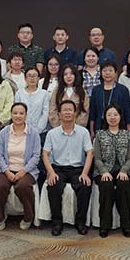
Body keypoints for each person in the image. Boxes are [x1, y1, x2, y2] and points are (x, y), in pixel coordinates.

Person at [43, 100, 94, 236]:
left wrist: (85, 173)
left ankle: (81, 222)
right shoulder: (52, 133)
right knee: (53, 185)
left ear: (75, 113)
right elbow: (45, 154)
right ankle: (57, 223)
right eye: (64, 110)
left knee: (85, 185)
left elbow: (90, 153)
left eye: (70, 110)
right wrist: (51, 173)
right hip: (58, 168)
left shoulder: (83, 132)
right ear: (59, 114)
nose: (67, 112)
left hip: (78, 169)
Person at [0, 103, 41, 231]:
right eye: (15, 113)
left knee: (23, 186)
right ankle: (0, 217)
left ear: (26, 115)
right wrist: (6, 171)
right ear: (11, 115)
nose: (18, 116)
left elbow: (36, 156)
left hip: (27, 170)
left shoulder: (33, 133)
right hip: (6, 169)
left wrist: (23, 171)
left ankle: (28, 217)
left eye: (21, 113)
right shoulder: (4, 132)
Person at [93, 105, 130, 238]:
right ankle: (104, 225)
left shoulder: (127, 134)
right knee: (106, 185)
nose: (112, 117)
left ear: (120, 116)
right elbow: (97, 158)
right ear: (105, 117)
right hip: (104, 171)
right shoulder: (99, 134)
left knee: (124, 185)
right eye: (109, 114)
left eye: (115, 114)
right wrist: (104, 171)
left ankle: (126, 225)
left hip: (123, 171)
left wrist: (124, 170)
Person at [89, 61, 130, 139]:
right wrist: (92, 131)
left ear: (115, 73)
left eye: (110, 70)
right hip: (100, 127)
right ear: (101, 73)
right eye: (104, 71)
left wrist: (129, 131)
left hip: (119, 127)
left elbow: (127, 111)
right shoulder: (96, 90)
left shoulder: (123, 90)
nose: (107, 73)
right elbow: (92, 112)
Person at [48, 64, 90, 128]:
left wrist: (74, 127)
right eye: (65, 74)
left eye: (71, 74)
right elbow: (52, 110)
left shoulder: (82, 91)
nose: (68, 76)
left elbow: (85, 111)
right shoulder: (57, 91)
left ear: (75, 75)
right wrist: (60, 126)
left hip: (78, 128)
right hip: (59, 128)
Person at [15, 68, 50, 134]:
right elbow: (17, 112)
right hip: (22, 130)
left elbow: (45, 113)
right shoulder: (19, 93)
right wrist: (23, 128)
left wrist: (38, 129)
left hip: (41, 131)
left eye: (34, 76)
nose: (32, 78)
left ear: (38, 78)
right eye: (29, 76)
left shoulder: (44, 94)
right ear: (25, 78)